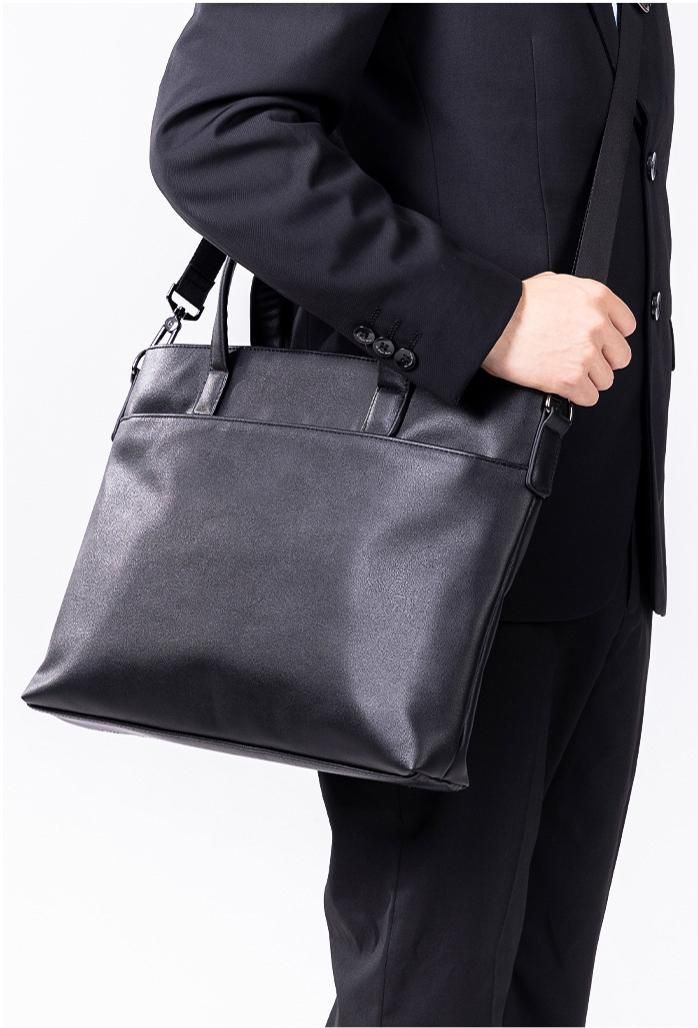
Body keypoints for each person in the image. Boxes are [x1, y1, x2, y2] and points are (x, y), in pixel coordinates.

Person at [149, 5, 674, 1025]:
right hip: (432, 544)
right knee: (423, 1000)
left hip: (598, 539)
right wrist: (487, 317)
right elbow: (215, 132)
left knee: (537, 999)